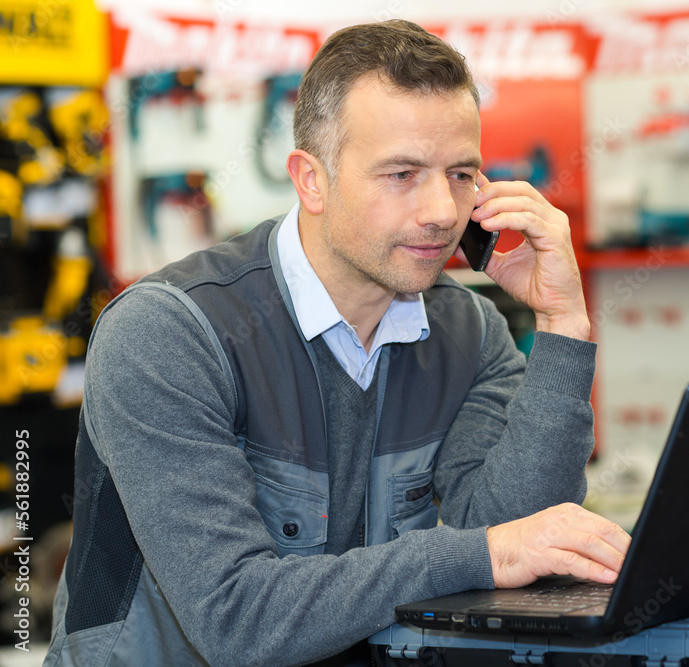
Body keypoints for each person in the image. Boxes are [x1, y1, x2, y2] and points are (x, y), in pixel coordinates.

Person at [45, 19, 630, 667]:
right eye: (403, 173)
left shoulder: (468, 333)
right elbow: (237, 619)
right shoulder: (167, 332)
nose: (442, 210)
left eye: (462, 173)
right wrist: (484, 551)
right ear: (310, 180)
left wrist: (563, 324)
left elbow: (524, 542)